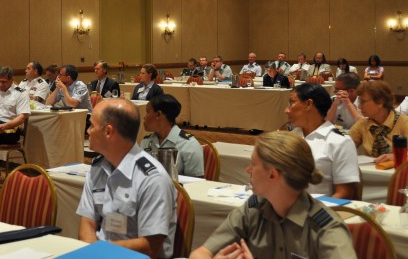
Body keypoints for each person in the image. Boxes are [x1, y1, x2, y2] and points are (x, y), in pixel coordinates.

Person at [189, 131, 356, 259]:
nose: (248, 170)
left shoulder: (326, 229)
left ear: (272, 175)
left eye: (253, 164)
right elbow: (200, 253)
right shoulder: (253, 210)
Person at [77, 99, 176, 258]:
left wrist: (100, 251)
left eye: (91, 125)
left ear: (108, 131)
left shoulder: (152, 179)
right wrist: (93, 254)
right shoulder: (97, 168)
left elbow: (150, 246)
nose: (88, 131)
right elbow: (87, 223)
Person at [286, 83, 359, 198]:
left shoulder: (339, 141)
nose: (287, 110)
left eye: (292, 103)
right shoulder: (290, 137)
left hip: (318, 210)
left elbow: (344, 193)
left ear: (308, 104)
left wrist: (317, 213)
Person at [140, 94, 204, 178]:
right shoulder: (147, 141)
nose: (144, 117)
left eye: (147, 112)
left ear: (158, 114)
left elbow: (196, 184)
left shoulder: (188, 145)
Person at [349, 81, 408, 163]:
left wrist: (398, 156)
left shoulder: (404, 123)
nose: (359, 106)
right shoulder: (363, 124)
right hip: (372, 174)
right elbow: (344, 146)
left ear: (380, 102)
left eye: (363, 101)